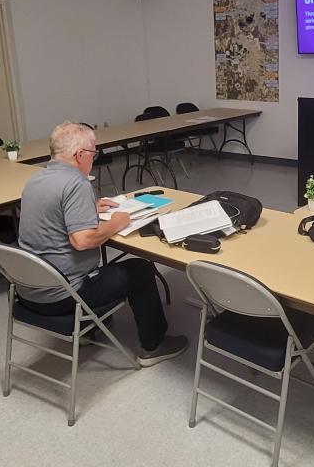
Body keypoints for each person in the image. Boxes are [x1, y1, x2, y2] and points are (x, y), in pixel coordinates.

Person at [16, 121, 187, 367]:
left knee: (109, 267)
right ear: (80, 155)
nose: (94, 159)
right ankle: (154, 346)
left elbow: (52, 214)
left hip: (29, 290)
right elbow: (83, 240)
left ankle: (86, 329)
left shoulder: (36, 180)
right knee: (141, 269)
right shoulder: (77, 182)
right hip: (64, 295)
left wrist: (87, 209)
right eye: (93, 153)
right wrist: (117, 223)